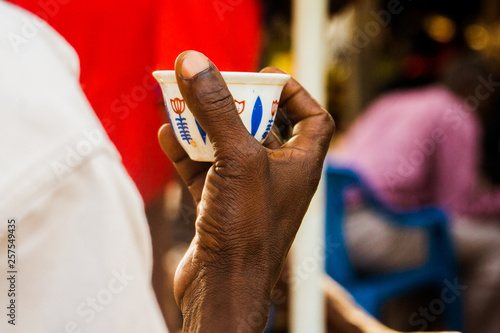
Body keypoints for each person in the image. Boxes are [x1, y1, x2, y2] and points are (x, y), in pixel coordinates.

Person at [331, 54, 500, 333]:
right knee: (495, 246)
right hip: (372, 233)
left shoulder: (392, 101)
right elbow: (457, 205)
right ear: (479, 93)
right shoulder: (457, 112)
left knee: (450, 248)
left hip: (330, 230)